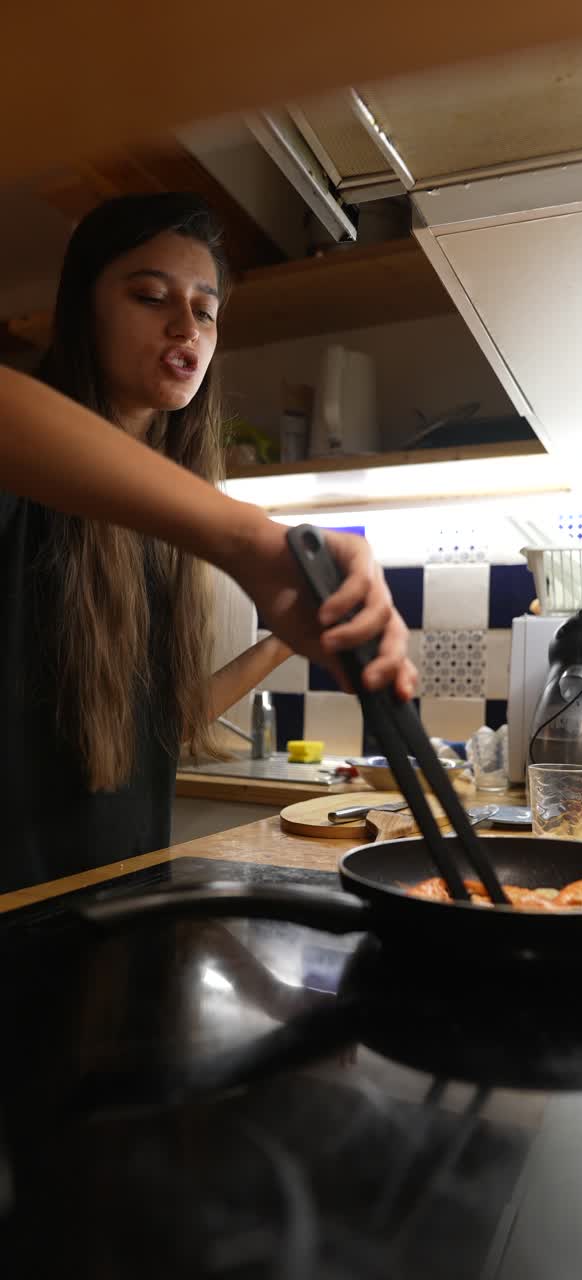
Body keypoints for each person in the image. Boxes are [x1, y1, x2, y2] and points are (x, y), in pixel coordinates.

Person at [0, 192, 415, 892]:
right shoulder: (27, 484)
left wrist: (289, 635)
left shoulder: (154, 524)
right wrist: (249, 537)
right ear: (82, 310)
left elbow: (161, 724)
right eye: (149, 296)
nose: (184, 325)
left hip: (118, 909)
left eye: (205, 309)